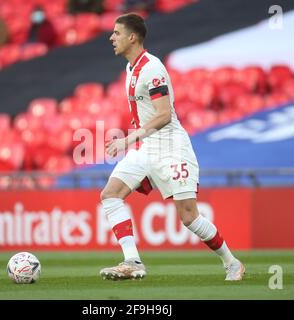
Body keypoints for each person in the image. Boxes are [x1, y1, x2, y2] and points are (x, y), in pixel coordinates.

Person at [99, 13, 245, 281]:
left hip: (171, 147)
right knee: (110, 194)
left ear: (132, 37)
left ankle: (232, 262)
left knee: (189, 217)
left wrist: (128, 139)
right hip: (147, 147)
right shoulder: (131, 68)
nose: (111, 37)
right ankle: (132, 261)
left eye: (116, 33)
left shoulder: (152, 68)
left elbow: (164, 114)